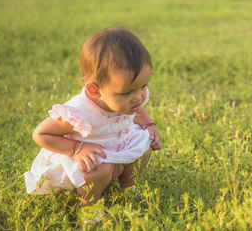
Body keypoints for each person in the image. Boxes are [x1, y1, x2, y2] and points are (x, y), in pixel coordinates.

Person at [24, 28, 161, 206]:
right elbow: (40, 134)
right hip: (90, 158)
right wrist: (77, 148)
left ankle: (127, 188)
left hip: (119, 144)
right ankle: (89, 205)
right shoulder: (80, 112)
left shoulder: (129, 98)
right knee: (100, 171)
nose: (138, 96)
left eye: (143, 86)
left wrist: (150, 125)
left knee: (144, 148)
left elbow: (137, 109)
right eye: (127, 92)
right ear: (94, 90)